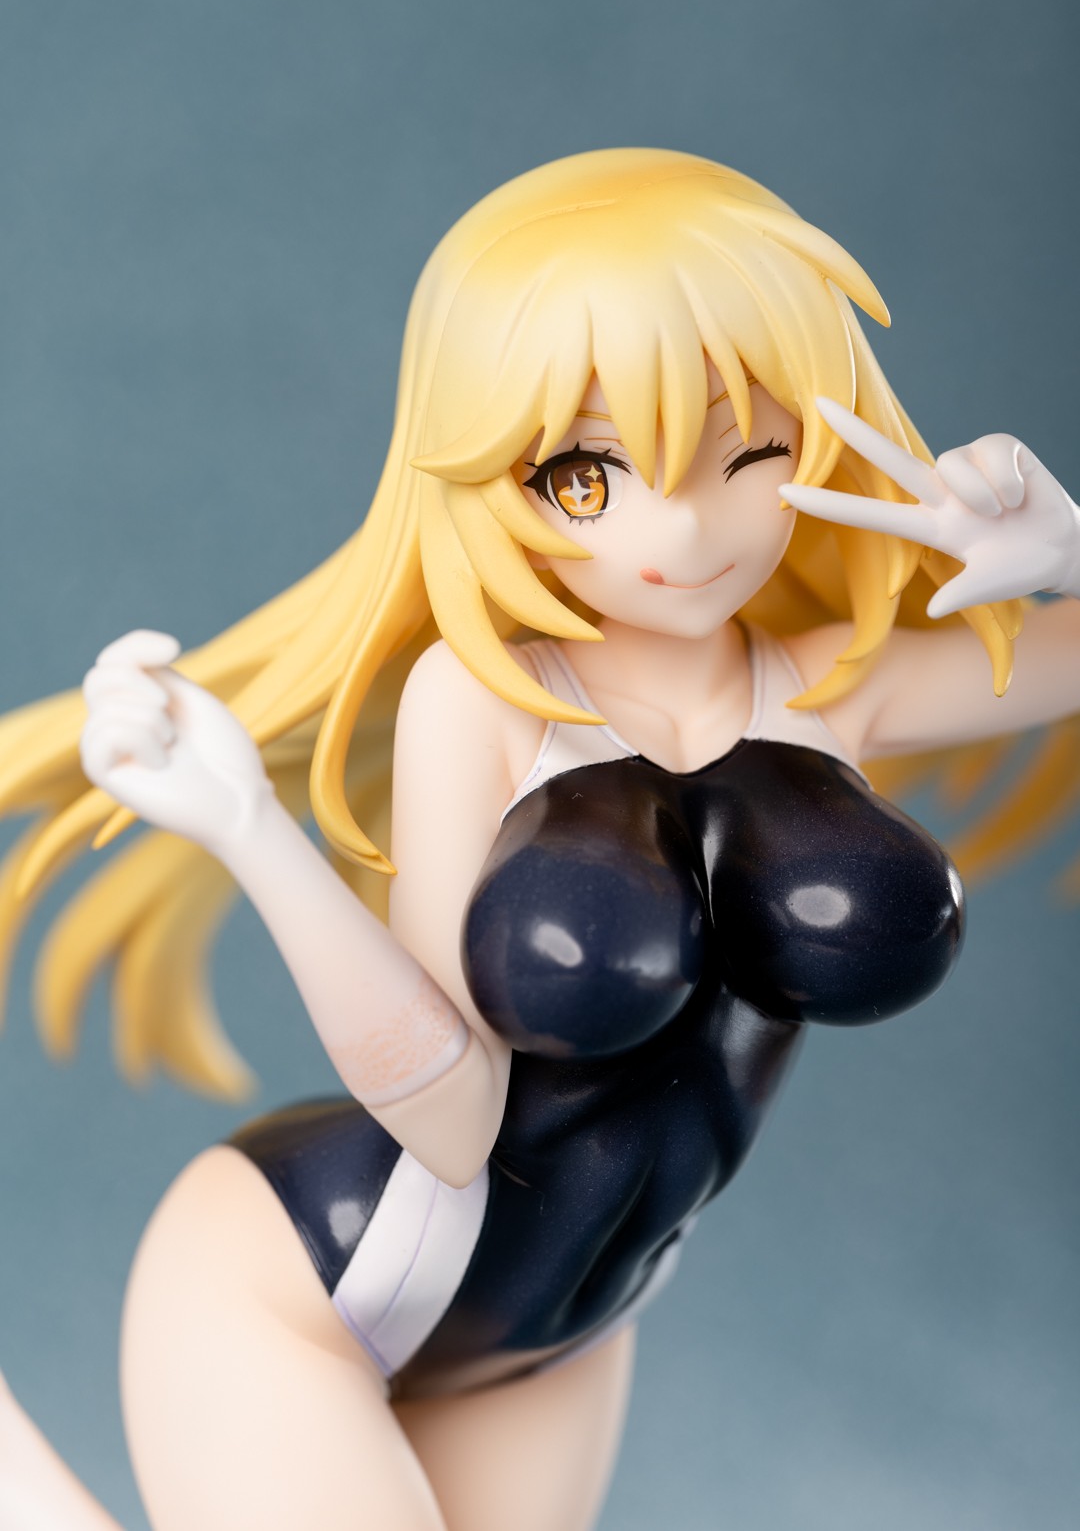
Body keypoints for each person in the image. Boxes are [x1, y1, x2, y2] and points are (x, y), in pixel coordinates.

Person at [1, 149, 1078, 1531]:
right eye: (585, 475)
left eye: (752, 451)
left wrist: (1066, 554)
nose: (680, 527)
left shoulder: (833, 690)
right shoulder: (488, 700)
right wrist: (250, 831)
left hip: (571, 1323)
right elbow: (453, 1125)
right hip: (309, 1275)